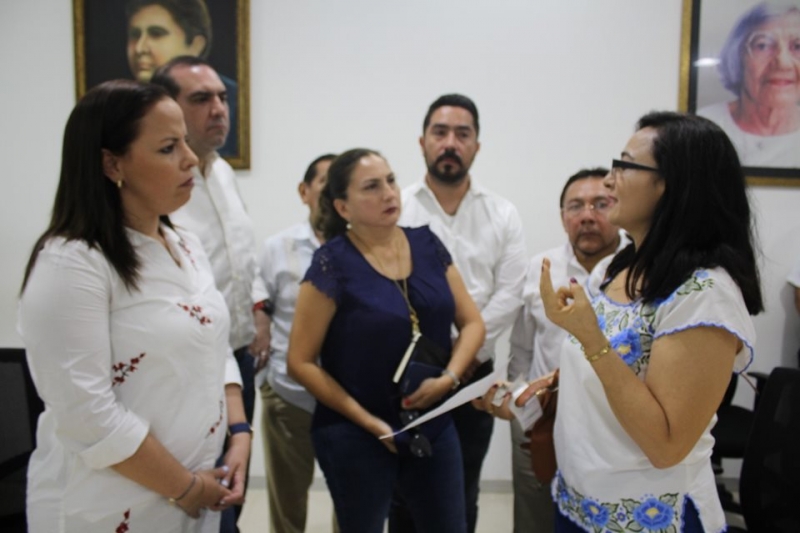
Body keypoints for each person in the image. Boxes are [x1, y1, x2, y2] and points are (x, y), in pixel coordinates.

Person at [487, 111, 763, 532]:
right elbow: (615, 374)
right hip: (579, 502)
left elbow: (666, 445)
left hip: (649, 516)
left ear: (671, 184)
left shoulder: (705, 295)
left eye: (625, 164)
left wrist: (588, 336)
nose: (610, 179)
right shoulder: (616, 269)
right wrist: (540, 389)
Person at [18, 79, 250, 532]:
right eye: (168, 147)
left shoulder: (184, 242)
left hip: (194, 491)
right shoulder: (74, 262)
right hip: (108, 505)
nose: (189, 157)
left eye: (185, 141)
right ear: (111, 163)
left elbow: (214, 344)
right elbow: (87, 413)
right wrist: (183, 487)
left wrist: (239, 432)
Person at [287, 148, 485, 533]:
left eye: (391, 181)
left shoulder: (428, 244)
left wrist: (449, 378)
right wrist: (368, 422)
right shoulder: (331, 263)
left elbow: (473, 323)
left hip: (430, 417)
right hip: (357, 429)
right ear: (343, 207)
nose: (389, 193)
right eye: (372, 187)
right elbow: (301, 361)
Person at [396, 94, 527, 533]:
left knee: (462, 489)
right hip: (408, 372)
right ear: (422, 142)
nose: (450, 143)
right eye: (440, 132)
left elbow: (511, 293)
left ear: (476, 146)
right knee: (404, 490)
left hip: (474, 376)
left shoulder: (502, 213)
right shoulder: (397, 207)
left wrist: (464, 354)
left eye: (462, 134)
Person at [151, 56, 267, 533]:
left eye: (222, 97)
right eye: (201, 99)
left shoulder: (221, 173)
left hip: (236, 355)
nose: (219, 108)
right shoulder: (160, 188)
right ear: (169, 110)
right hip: (191, 363)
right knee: (194, 486)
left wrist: (258, 311)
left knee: (231, 478)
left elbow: (242, 255)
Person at [504, 168, 626, 533]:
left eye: (600, 204)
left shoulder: (639, 272)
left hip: (614, 421)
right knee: (535, 513)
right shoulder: (539, 270)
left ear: (618, 209)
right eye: (575, 206)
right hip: (542, 415)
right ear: (562, 218)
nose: (587, 216)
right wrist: (518, 400)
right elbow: (522, 348)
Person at [256, 153, 338, 533]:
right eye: (325, 182)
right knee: (287, 505)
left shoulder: (365, 246)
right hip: (291, 397)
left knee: (356, 504)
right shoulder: (278, 247)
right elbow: (257, 299)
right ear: (304, 192)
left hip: (350, 401)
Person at [126, 0, 239, 157]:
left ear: (195, 45)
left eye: (156, 34)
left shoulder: (221, 172)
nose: (140, 48)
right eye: (135, 35)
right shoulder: (119, 111)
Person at [697, 3, 800, 168]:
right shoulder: (705, 124)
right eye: (763, 46)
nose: (783, 62)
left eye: (797, 47)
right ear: (737, 57)